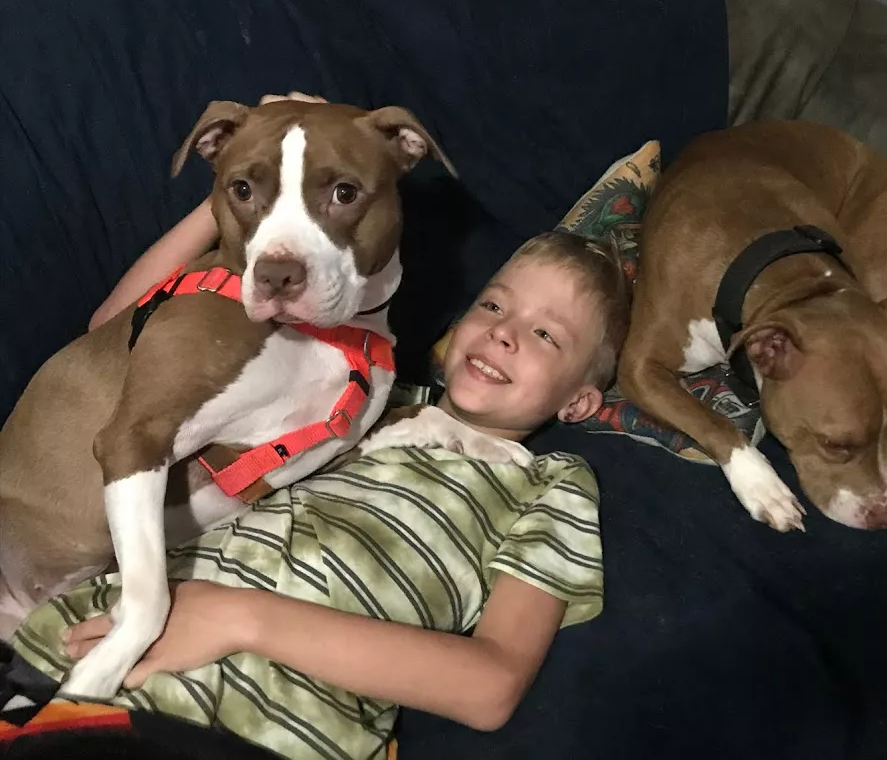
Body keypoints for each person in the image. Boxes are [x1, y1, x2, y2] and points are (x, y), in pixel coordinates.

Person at [6, 149, 631, 758]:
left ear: (579, 403)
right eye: (493, 304)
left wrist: (238, 618)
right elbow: (129, 326)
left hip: (260, 720)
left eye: (545, 334)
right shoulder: (367, 399)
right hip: (83, 646)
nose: (503, 331)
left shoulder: (552, 486)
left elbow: (490, 688)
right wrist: (233, 189)